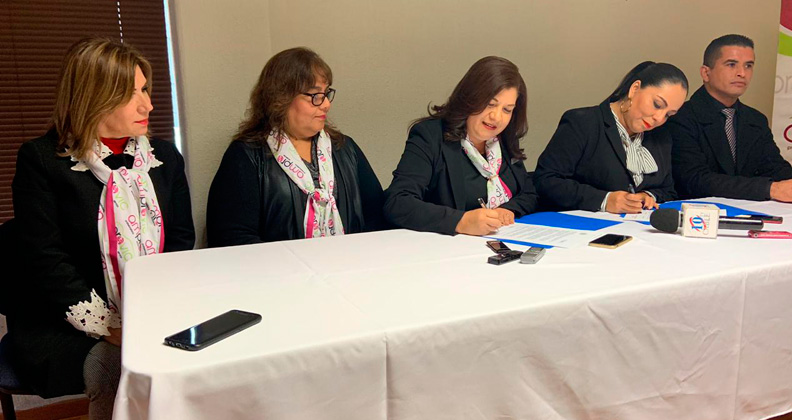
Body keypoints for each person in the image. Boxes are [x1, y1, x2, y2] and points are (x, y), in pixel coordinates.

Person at [7, 38, 195, 419]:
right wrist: (111, 327)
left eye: (146, 90)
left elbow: (180, 241)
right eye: (131, 94)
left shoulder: (164, 159)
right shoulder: (41, 161)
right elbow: (47, 263)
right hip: (64, 321)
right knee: (114, 368)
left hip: (150, 308)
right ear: (93, 97)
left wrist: (154, 313)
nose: (148, 105)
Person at [206, 47, 385, 246]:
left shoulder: (345, 148)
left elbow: (376, 216)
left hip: (349, 262)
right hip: (277, 266)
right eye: (315, 95)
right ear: (281, 99)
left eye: (326, 93)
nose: (326, 104)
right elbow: (232, 237)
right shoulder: (247, 156)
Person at [383, 56, 538, 236]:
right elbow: (398, 202)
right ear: (470, 98)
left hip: (499, 241)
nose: (496, 117)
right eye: (490, 104)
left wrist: (508, 209)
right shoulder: (430, 136)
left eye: (507, 110)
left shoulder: (504, 140)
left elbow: (529, 194)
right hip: (441, 247)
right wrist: (460, 221)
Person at [532, 62, 687, 213]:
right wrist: (605, 200)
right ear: (634, 89)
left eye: (669, 114)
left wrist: (647, 196)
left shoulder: (661, 137)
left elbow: (669, 190)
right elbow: (545, 180)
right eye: (657, 104)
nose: (659, 118)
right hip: (579, 224)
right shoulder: (583, 123)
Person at [668, 34, 792, 201]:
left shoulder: (756, 119)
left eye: (748, 66)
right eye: (731, 65)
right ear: (706, 73)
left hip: (748, 210)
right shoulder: (681, 117)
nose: (742, 73)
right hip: (697, 212)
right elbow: (695, 180)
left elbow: (775, 168)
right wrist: (770, 189)